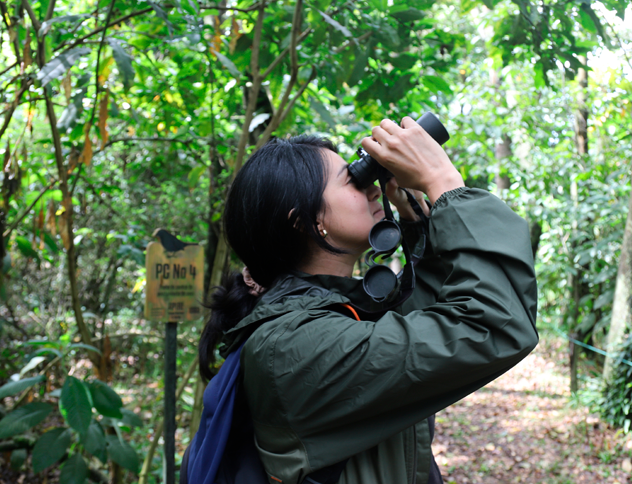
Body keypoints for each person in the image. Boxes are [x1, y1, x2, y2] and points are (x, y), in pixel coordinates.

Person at [196, 117, 539, 484]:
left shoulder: (333, 312)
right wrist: (443, 181)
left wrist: (418, 218)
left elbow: (430, 316)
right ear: (304, 222)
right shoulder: (294, 346)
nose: (373, 189)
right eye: (353, 180)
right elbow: (490, 325)